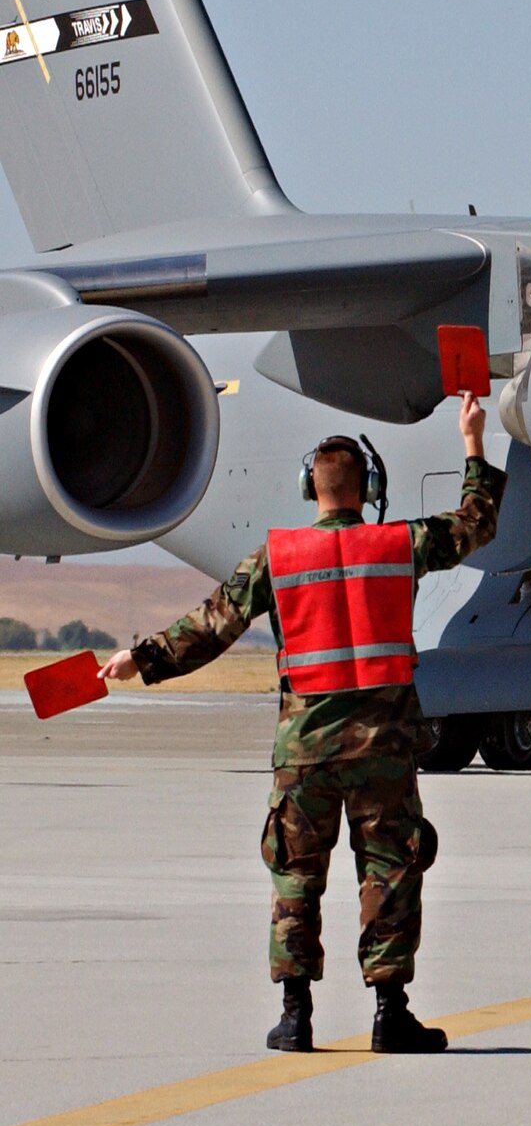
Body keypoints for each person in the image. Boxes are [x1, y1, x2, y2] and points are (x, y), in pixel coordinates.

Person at [101, 393, 505, 1053]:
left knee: (295, 876)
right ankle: (389, 1012)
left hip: (305, 748)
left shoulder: (277, 559)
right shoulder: (400, 544)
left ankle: (295, 1016)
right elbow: (474, 523)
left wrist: (139, 660)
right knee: (389, 870)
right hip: (384, 745)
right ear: (366, 488)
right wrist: (471, 442)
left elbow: (211, 626)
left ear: (306, 488)